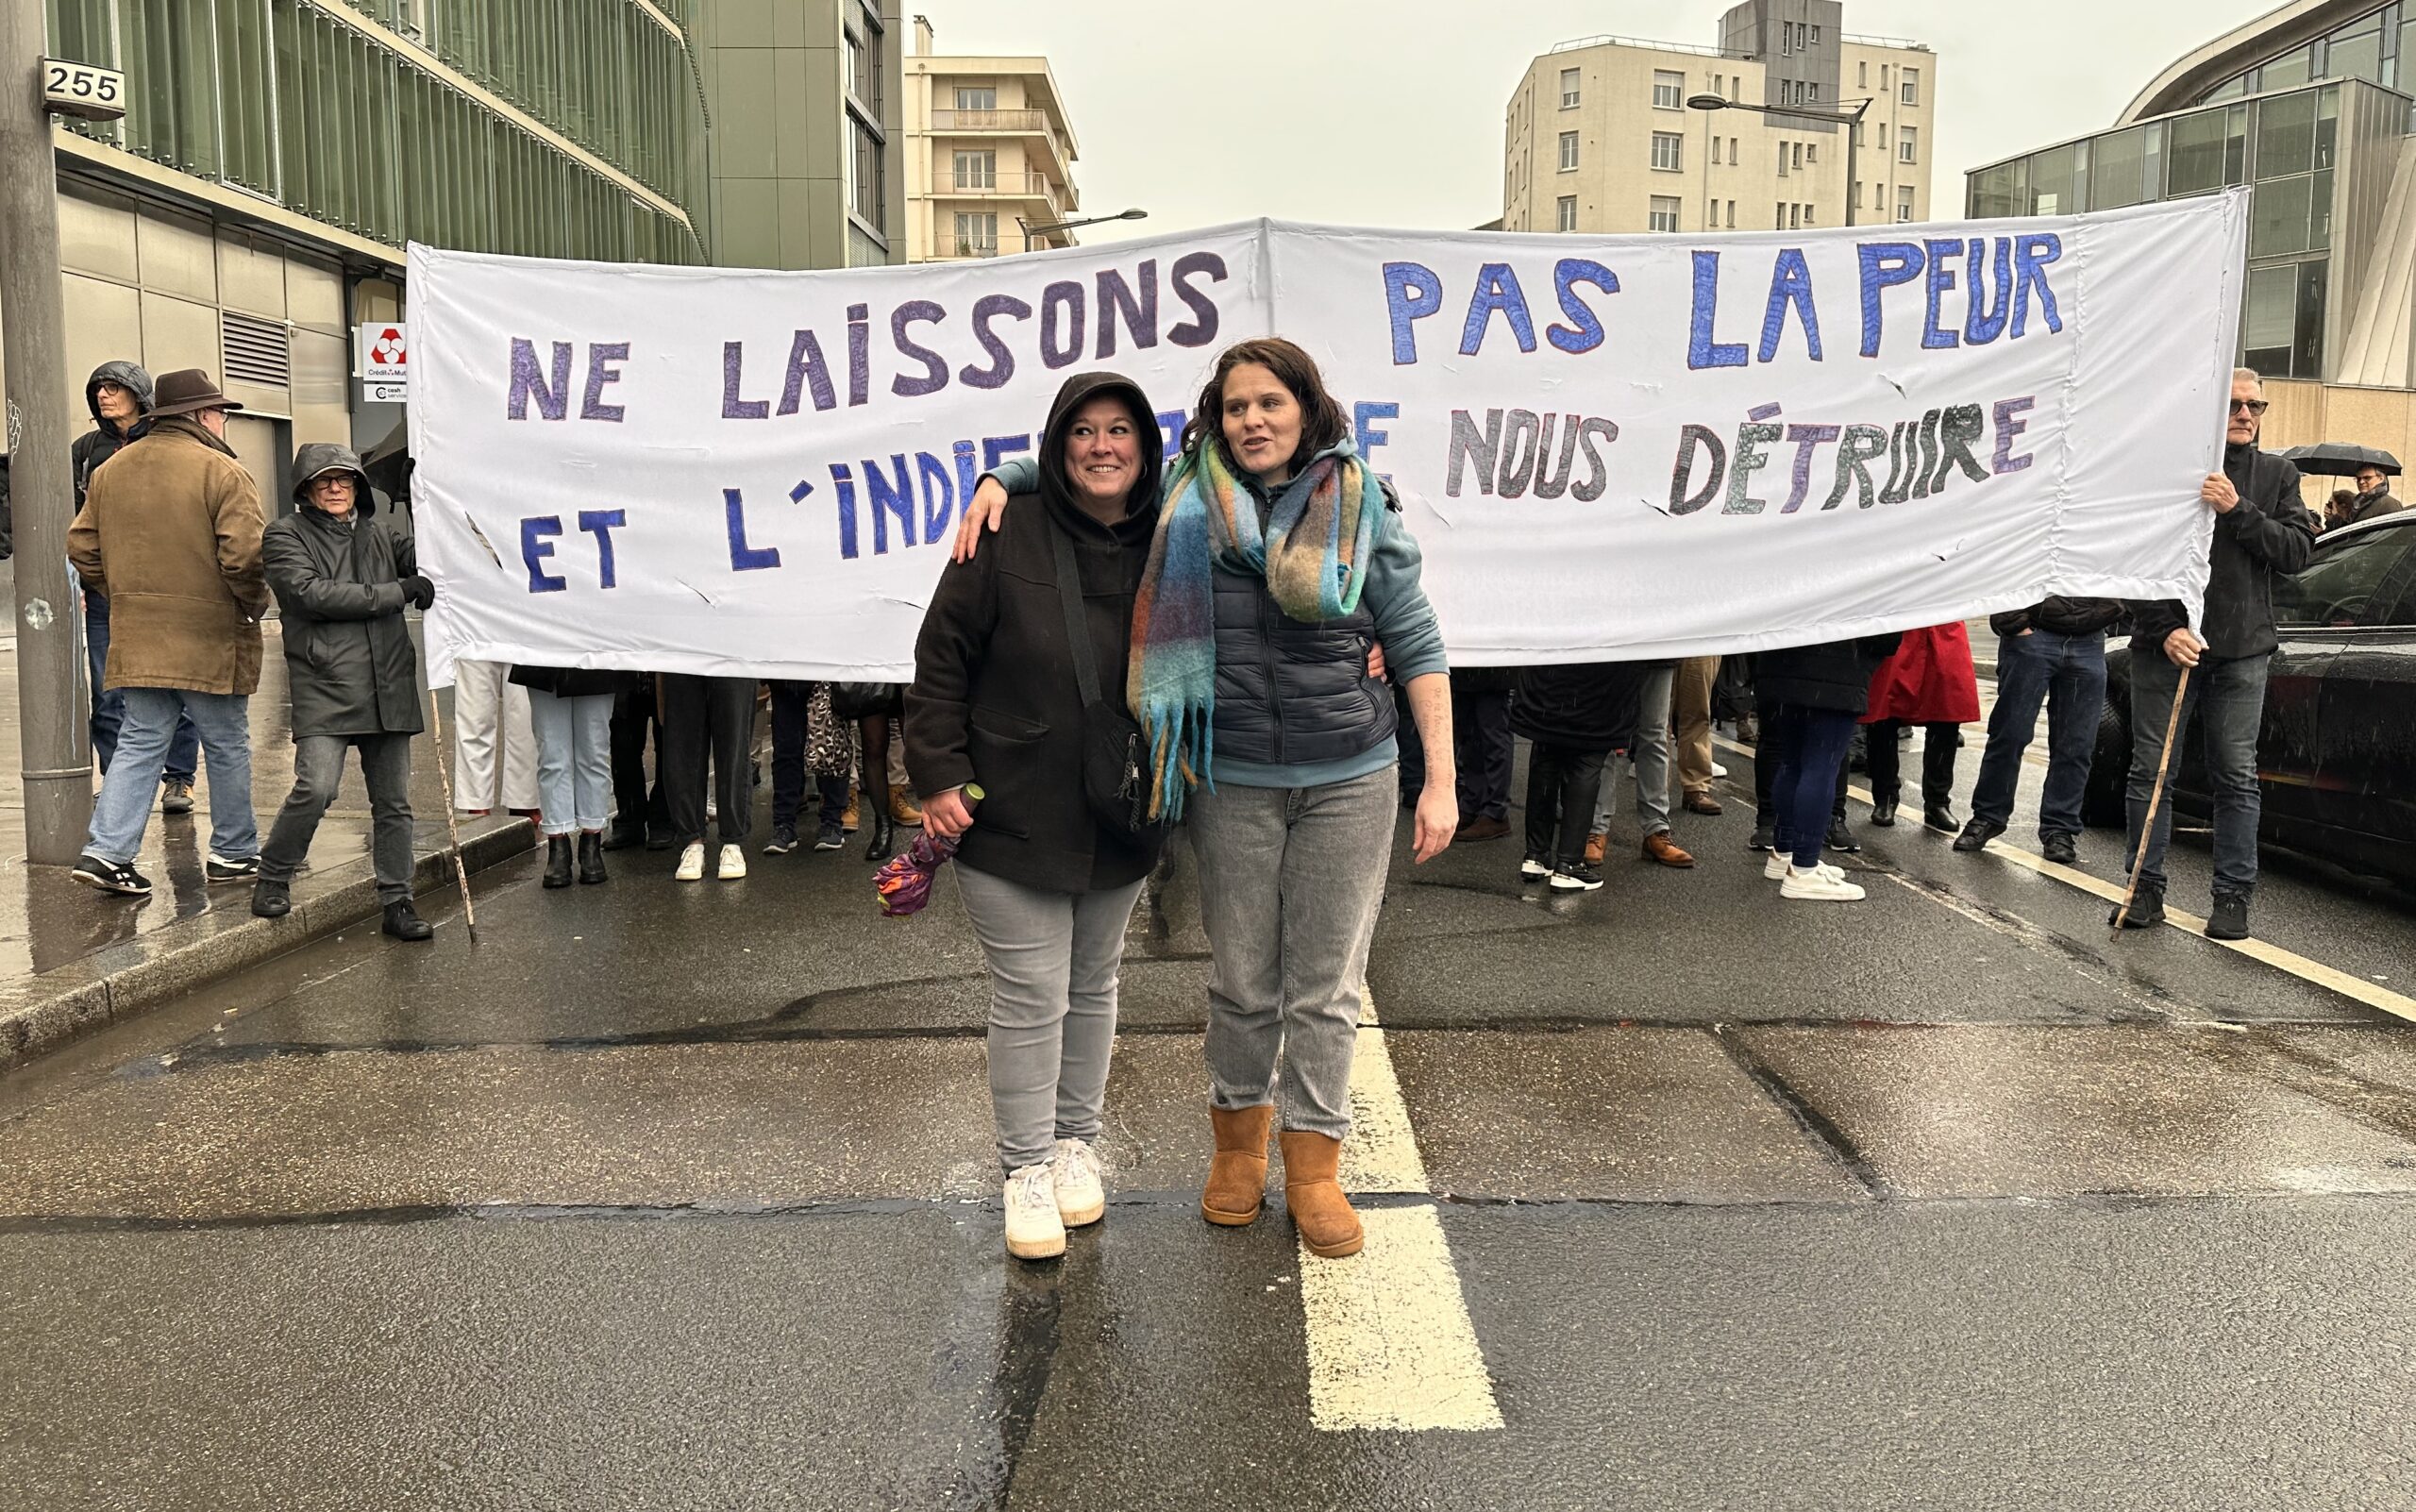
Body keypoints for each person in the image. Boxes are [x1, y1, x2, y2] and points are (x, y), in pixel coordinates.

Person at [959, 337, 1457, 1261]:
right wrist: (1004, 474)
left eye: (1270, 403)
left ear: (1305, 408)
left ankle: (1311, 1170)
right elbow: (1090, 471)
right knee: (1240, 982)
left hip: (1351, 772)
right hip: (1228, 778)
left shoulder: (1362, 506)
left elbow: (1417, 642)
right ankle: (1238, 1146)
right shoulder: (1181, 498)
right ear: (1214, 420)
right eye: (1235, 408)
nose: (1253, 421)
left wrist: (1442, 783)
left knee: (1326, 989)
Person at [908, 371, 1169, 1263]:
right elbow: (940, 657)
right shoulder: (1003, 527)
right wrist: (939, 773)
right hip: (1009, 807)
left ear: (1146, 445)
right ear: (1057, 448)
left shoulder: (1178, 533)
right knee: (1031, 993)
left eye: (1120, 431)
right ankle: (1023, 1167)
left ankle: (1072, 1145)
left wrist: (1364, 639)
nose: (1103, 448)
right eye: (1082, 433)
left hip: (1123, 807)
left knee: (1094, 984)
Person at [2116, 367, 2315, 941]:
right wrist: (2162, 628)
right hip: (2167, 648)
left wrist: (2237, 510)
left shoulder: (2278, 474)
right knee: (2151, 773)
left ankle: (2232, 896)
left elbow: (2297, 552)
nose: (2246, 416)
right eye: (2234, 406)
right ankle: (2143, 890)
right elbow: (2132, 561)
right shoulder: (2166, 471)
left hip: (2242, 649)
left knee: (2236, 775)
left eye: (2256, 406)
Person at [65, 370, 265, 897]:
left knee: (139, 739)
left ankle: (107, 852)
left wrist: (126, 593)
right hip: (210, 635)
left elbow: (82, 547)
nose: (223, 421)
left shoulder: (112, 469)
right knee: (225, 743)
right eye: (220, 412)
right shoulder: (222, 471)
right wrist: (252, 603)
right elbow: (245, 556)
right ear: (201, 416)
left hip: (139, 633)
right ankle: (234, 853)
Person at [251, 445, 435, 940]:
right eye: (324, 480)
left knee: (394, 803)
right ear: (306, 489)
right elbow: (310, 594)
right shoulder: (283, 535)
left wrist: (432, 512)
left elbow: (431, 559)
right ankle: (273, 874)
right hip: (325, 683)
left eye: (344, 479)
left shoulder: (381, 535)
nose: (335, 488)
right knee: (317, 787)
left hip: (389, 682)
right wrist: (399, 591)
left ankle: (398, 902)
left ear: (357, 486)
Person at [74, 361, 201, 815]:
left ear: (138, 394)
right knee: (107, 691)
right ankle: (117, 782)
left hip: (161, 586)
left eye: (115, 388)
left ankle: (179, 780)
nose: (105, 396)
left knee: (173, 681)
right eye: (100, 390)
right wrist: (90, 579)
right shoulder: (88, 450)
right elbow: (75, 522)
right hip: (107, 591)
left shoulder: (164, 441)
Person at [1955, 596, 2122, 865]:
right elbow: (2007, 564)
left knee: (2077, 744)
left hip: (2088, 639)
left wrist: (2113, 609)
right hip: (2034, 635)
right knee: (2010, 734)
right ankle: (1988, 816)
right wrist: (2014, 621)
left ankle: (2060, 828)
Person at [1754, 632, 1902, 902]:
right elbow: (1885, 636)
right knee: (1820, 767)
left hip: (1783, 659)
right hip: (1839, 666)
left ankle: (1783, 853)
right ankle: (1804, 867)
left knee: (1792, 762)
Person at [1515, 661, 1649, 890]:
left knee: (1546, 755)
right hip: (1600, 679)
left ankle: (1536, 854)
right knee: (1586, 760)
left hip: (1547, 676)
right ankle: (1569, 863)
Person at [512, 664, 630, 888]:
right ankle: (558, 845)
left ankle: (591, 843)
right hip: (544, 659)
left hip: (597, 656)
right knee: (552, 757)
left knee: (594, 753)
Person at [1860, 623, 1979, 832]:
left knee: (1946, 716)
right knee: (1884, 715)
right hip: (1901, 624)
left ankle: (1937, 802)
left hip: (1944, 628)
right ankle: (1885, 796)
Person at [1584, 660, 1695, 869]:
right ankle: (1596, 828)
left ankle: (1656, 829)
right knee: (1605, 731)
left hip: (1657, 646)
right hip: (1615, 643)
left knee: (1654, 733)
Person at [661, 673, 757, 881]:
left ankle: (733, 842)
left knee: (734, 745)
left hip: (733, 655)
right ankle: (691, 841)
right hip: (683, 655)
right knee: (683, 747)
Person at [1401, 666, 1515, 842]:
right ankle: (1472, 803)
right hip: (1467, 669)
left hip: (1491, 668)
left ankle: (1495, 811)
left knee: (1492, 736)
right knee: (1469, 736)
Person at [452, 659, 540, 817]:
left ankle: (523, 799)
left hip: (524, 636)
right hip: (474, 637)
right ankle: (476, 801)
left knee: (525, 718)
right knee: (475, 715)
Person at [1672, 655, 1723, 816]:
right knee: (1656, 718)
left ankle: (1696, 786)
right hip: (1660, 636)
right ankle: (1654, 792)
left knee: (1698, 713)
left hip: (1700, 639)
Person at [2333, 464, 2407, 529]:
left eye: (2367, 478)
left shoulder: (2388, 503)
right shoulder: (2358, 503)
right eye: (2358, 479)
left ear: (2381, 478)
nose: (2361, 482)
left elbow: (2395, 534)